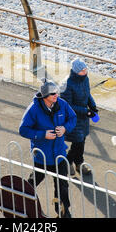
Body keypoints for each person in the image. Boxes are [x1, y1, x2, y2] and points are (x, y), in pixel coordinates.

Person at [19, 79, 77, 218]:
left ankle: (63, 211)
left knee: (62, 186)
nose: (56, 95)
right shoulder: (33, 109)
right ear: (44, 96)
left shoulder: (62, 104)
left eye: (57, 92)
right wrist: (42, 134)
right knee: (32, 183)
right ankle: (21, 202)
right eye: (52, 94)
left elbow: (73, 118)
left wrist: (65, 128)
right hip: (42, 156)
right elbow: (23, 130)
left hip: (59, 155)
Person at [60, 58, 98, 176]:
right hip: (72, 118)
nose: (85, 72)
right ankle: (69, 162)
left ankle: (78, 163)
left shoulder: (85, 79)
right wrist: (85, 112)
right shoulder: (67, 84)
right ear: (76, 71)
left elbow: (87, 94)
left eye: (86, 69)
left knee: (81, 141)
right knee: (78, 142)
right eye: (82, 70)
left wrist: (92, 106)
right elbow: (68, 106)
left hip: (83, 117)